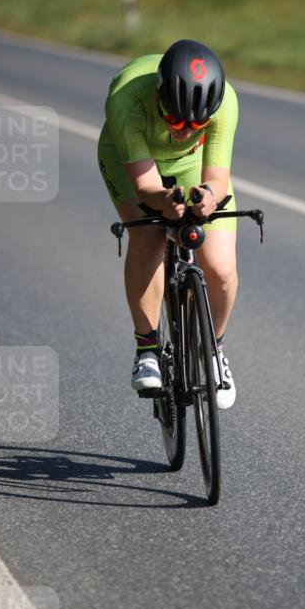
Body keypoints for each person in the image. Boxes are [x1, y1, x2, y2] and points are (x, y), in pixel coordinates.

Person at [98, 39, 238, 408]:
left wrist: (207, 196)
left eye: (198, 124)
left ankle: (215, 350)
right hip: (130, 159)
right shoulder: (125, 98)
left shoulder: (227, 102)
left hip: (190, 166)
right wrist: (166, 202)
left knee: (220, 269)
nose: (185, 130)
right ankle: (146, 349)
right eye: (175, 119)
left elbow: (218, 177)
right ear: (159, 96)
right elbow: (146, 188)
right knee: (149, 234)